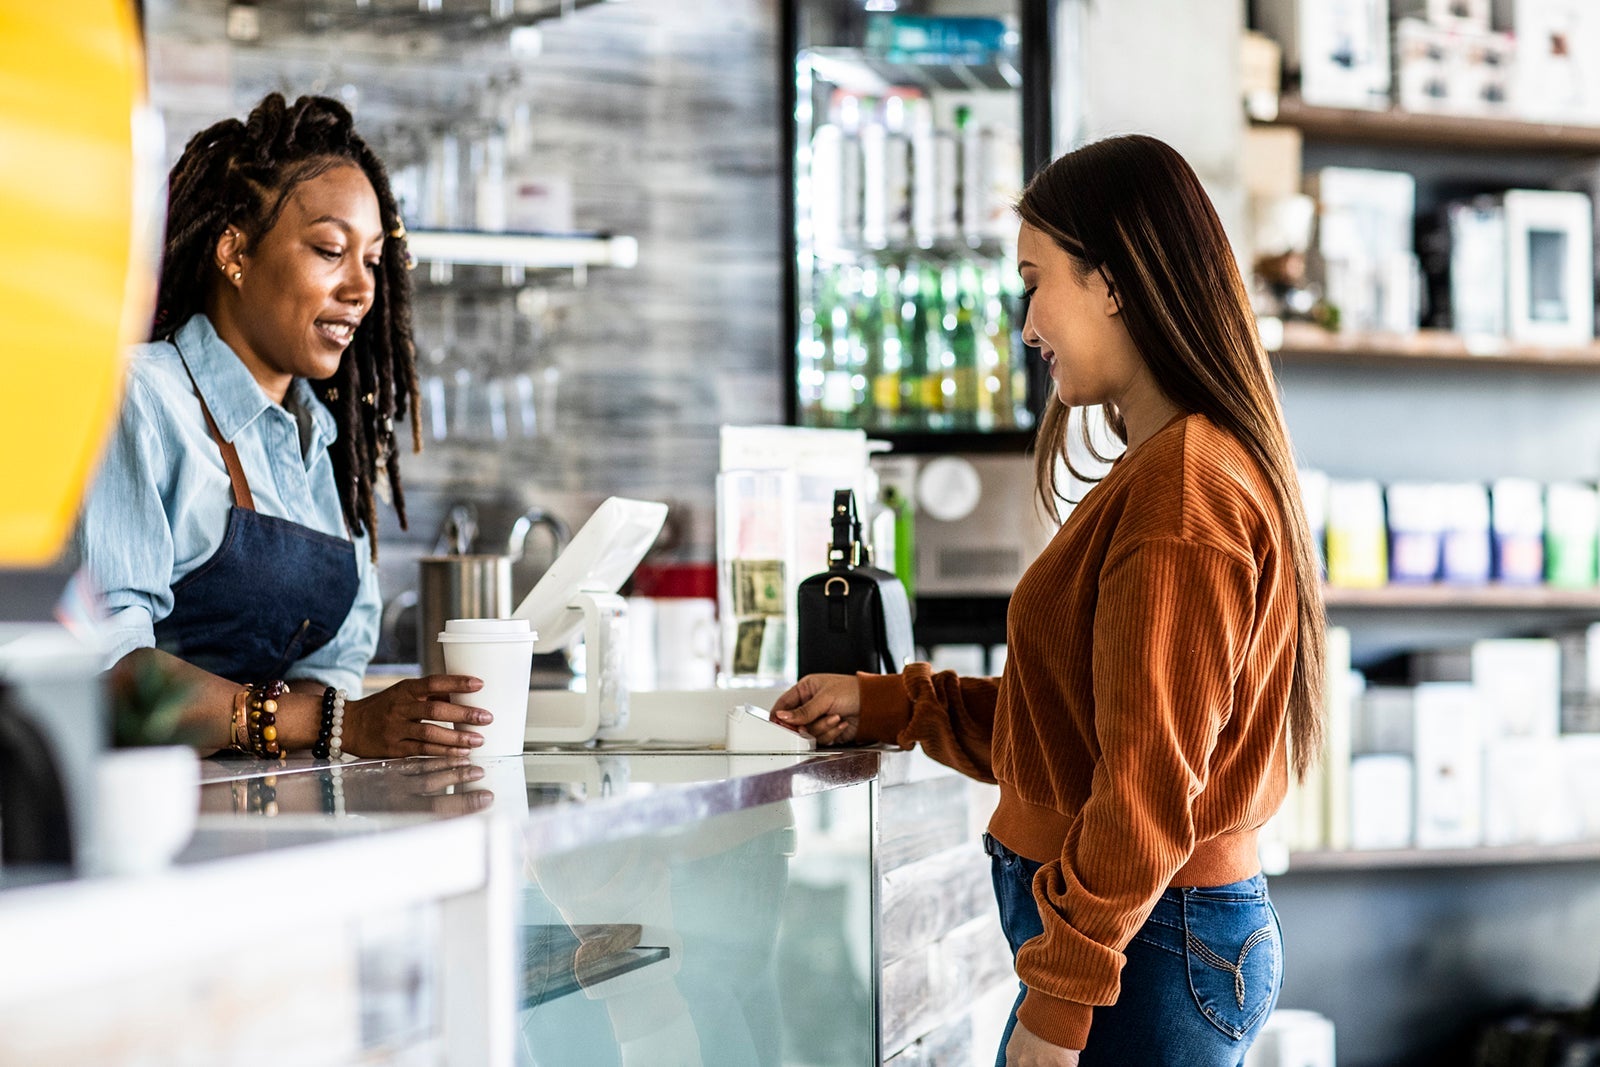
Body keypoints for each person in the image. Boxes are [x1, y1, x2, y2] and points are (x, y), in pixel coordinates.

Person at [773, 134, 1325, 1067]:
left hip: (1145, 953)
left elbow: (1145, 788)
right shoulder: (1165, 471)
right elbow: (1078, 727)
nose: (1027, 325)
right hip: (1149, 945)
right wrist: (895, 704)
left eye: (1036, 282)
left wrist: (1059, 1008)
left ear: (1112, 282)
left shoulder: (1182, 491)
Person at [74, 93, 491, 760]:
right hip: (141, 824)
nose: (361, 289)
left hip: (268, 815)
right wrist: (333, 723)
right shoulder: (139, 400)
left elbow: (338, 656)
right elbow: (112, 677)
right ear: (234, 253)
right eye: (330, 249)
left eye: (373, 260)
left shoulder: (322, 442)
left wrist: (331, 719)